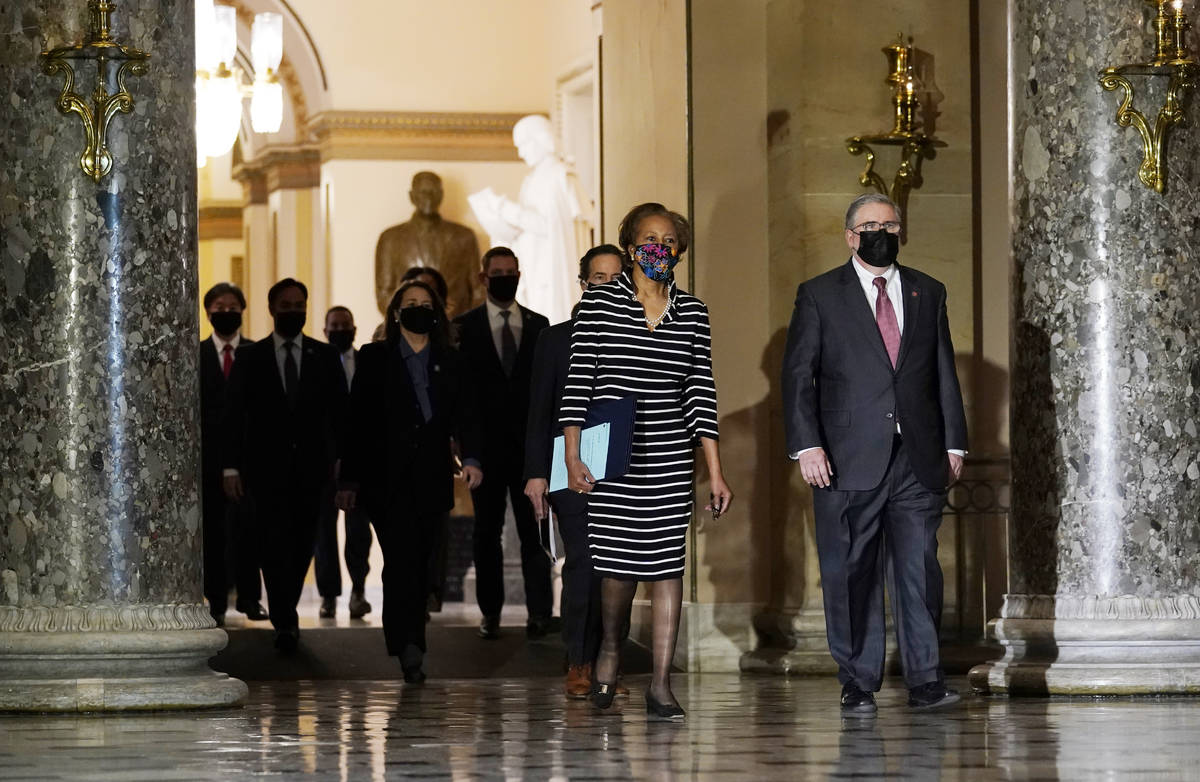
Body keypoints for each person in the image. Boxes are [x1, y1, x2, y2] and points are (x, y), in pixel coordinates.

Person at [781, 193, 968, 714]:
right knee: (851, 571)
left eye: (889, 224)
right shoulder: (819, 294)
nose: (879, 232)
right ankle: (858, 681)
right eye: (869, 225)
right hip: (844, 457)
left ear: (901, 231)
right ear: (849, 236)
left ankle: (926, 679)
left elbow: (942, 370)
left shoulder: (928, 290)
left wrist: (955, 441)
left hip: (918, 455)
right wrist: (807, 445)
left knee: (919, 569)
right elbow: (799, 375)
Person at [561, 204, 733, 722]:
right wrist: (571, 454)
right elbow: (578, 385)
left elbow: (700, 392)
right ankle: (611, 649)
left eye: (669, 239)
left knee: (665, 568)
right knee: (615, 568)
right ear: (632, 246)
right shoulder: (599, 306)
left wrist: (716, 470)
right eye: (649, 238)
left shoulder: (693, 312)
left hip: (670, 456)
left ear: (679, 249)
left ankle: (660, 683)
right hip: (613, 456)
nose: (660, 247)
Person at [338, 280, 483, 683]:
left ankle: (409, 639)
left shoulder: (450, 359)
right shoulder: (374, 357)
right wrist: (348, 480)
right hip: (386, 480)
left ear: (436, 312)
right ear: (396, 313)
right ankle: (408, 647)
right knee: (400, 561)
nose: (418, 309)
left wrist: (471, 458)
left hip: (433, 478)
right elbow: (357, 422)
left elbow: (465, 414)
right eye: (410, 304)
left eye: (425, 303)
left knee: (421, 563)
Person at [223, 278, 348, 653]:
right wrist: (230, 468)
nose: (293, 311)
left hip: (314, 472)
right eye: (286, 304)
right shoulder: (250, 357)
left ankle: (285, 608)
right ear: (271, 308)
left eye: (299, 305)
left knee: (303, 544)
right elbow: (233, 416)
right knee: (272, 544)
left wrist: (343, 464)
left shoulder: (324, 357)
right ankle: (285, 618)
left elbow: (341, 415)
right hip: (264, 472)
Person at [523, 244, 625, 699]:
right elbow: (539, 410)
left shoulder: (641, 333)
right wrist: (535, 474)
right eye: (598, 278)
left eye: (615, 278)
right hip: (569, 465)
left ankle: (609, 661)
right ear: (583, 283)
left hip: (626, 469)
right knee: (583, 563)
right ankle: (579, 661)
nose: (607, 285)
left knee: (619, 569)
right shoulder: (557, 338)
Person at [454, 247, 553, 640]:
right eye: (497, 272)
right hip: (485, 452)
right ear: (483, 277)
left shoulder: (539, 324)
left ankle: (540, 614)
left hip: (530, 451)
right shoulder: (463, 327)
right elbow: (462, 397)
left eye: (511, 272)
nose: (504, 278)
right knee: (486, 533)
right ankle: (490, 613)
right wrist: (465, 449)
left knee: (535, 533)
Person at [199, 282, 267, 626]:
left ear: (243, 309)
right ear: (208, 312)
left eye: (232, 307)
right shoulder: (195, 355)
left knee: (250, 531)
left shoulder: (257, 353)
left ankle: (251, 597)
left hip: (250, 461)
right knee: (212, 535)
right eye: (219, 308)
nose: (226, 313)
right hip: (208, 464)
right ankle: (215, 600)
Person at [314, 306, 373, 620]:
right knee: (323, 534)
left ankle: (358, 590)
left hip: (360, 463)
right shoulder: (317, 363)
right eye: (334, 325)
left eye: (345, 325)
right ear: (325, 331)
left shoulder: (367, 361)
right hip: (324, 463)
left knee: (359, 532)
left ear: (354, 328)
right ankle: (328, 596)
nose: (340, 330)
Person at [375, 171, 482, 318]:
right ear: (412, 196)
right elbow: (384, 294)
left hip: (455, 330)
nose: (428, 197)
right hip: (407, 331)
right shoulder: (391, 239)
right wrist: (411, 319)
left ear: (441, 195)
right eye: (423, 192)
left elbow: (478, 290)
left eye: (433, 192)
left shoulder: (464, 237)